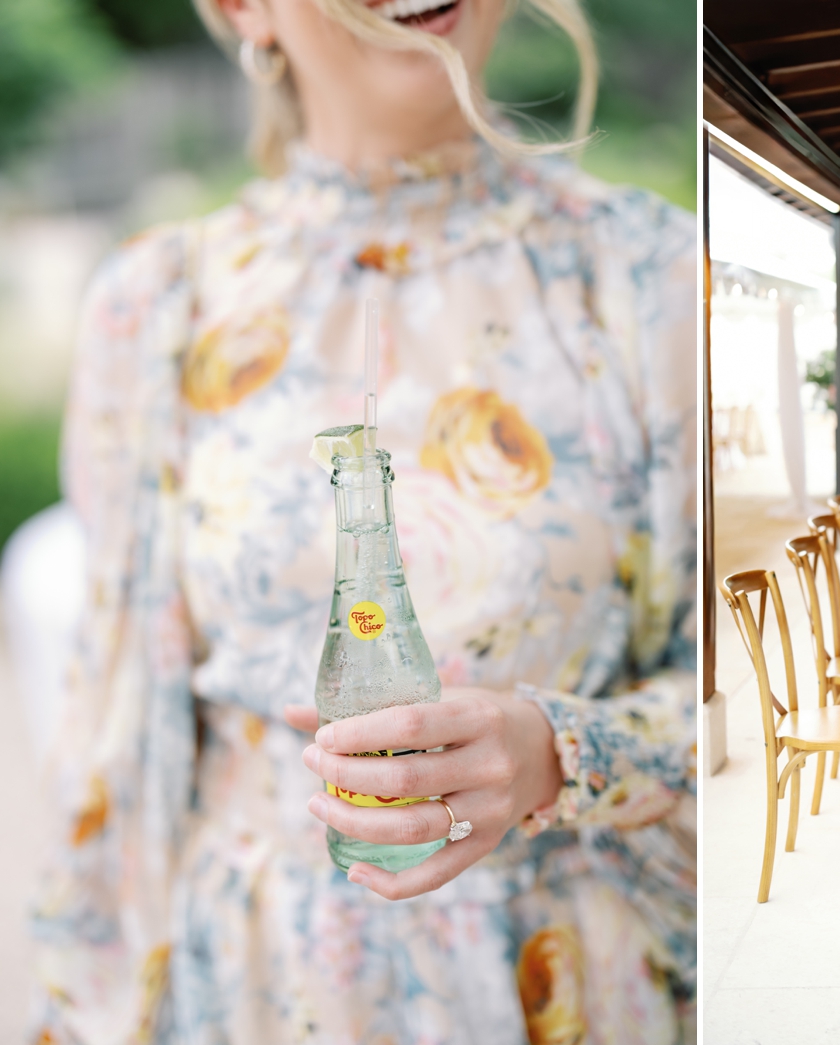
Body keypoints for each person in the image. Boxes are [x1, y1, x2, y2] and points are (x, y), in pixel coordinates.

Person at [31, 0, 697, 1042]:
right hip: (256, 990)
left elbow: (743, 697)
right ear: (239, 8)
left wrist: (561, 750)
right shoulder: (158, 302)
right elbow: (116, 737)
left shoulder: (651, 278)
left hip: (563, 979)